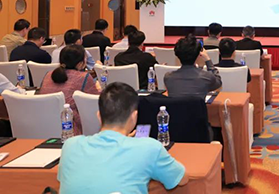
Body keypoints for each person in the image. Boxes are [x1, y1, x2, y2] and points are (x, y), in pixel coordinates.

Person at [58, 82, 188, 193]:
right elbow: (182, 179)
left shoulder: (70, 146)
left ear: (99, 116)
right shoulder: (149, 148)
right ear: (134, 116)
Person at [38, 45, 101, 135]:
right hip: (71, 129)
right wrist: (99, 88)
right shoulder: (83, 77)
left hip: (44, 128)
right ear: (80, 63)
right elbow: (95, 102)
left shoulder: (48, 75)